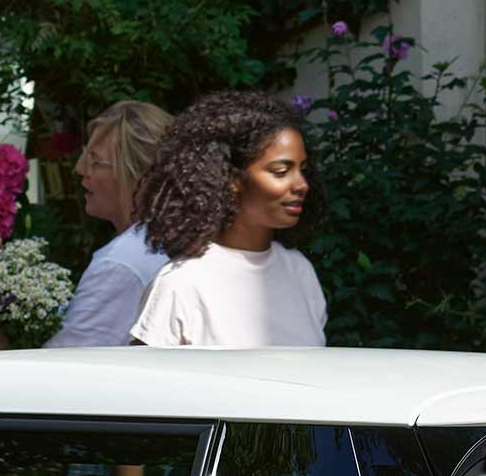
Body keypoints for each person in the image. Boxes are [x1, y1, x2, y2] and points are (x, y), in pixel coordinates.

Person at [128, 92, 325, 350]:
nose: (301, 184)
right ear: (231, 179)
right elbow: (145, 384)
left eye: (303, 169)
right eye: (281, 171)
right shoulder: (183, 283)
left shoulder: (299, 271)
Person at [46, 100, 174, 349]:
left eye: (96, 161)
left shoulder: (123, 263)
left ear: (137, 175)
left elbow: (65, 364)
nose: (80, 168)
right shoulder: (178, 238)